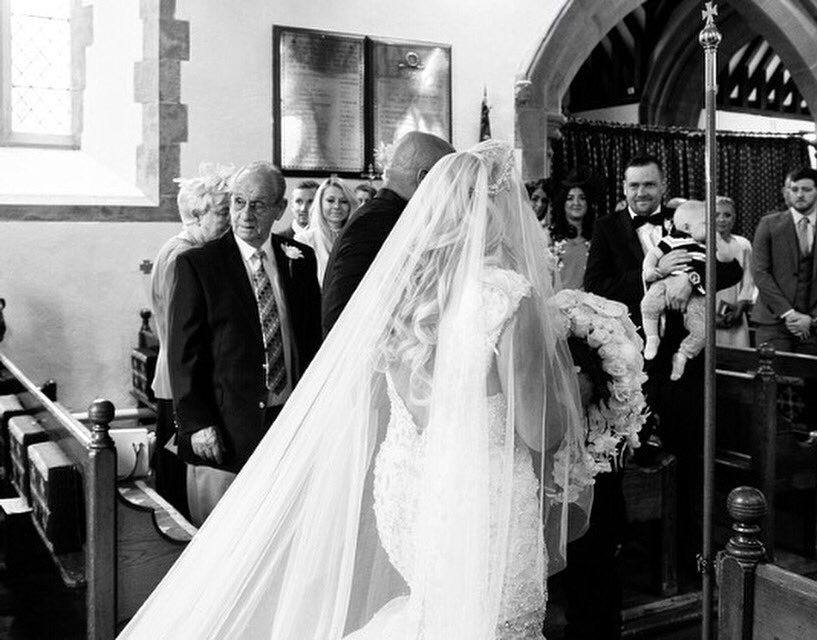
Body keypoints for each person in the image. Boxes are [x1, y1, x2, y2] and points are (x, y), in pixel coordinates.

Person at [118, 140, 593, 639]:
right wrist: (578, 388)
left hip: (416, 494)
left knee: (435, 615)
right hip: (483, 501)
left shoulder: (407, 292)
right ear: (493, 211)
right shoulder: (507, 300)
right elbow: (544, 432)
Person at [580, 155, 742, 639]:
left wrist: (687, 277)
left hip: (683, 366)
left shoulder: (685, 218)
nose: (640, 193)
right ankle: (632, 553)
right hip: (630, 363)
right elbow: (595, 288)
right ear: (624, 188)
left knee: (691, 453)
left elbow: (728, 273)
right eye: (633, 186)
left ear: (662, 185)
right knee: (630, 461)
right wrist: (652, 276)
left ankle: (696, 555)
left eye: (649, 185)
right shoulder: (608, 229)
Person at [167, 161, 322, 526]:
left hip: (287, 417)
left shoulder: (299, 259)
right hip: (228, 423)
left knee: (282, 526)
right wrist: (198, 421)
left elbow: (311, 338)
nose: (246, 214)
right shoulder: (199, 264)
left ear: (279, 209)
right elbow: (183, 353)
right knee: (227, 533)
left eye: (258, 204)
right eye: (238, 202)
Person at [149, 166, 232, 517]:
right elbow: (182, 329)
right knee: (179, 469)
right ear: (197, 215)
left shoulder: (185, 249)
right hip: (179, 380)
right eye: (223, 212)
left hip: (175, 375)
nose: (231, 220)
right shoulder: (183, 256)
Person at [321, 131, 455, 335]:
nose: (452, 194)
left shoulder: (389, 216)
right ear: (424, 179)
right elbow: (339, 312)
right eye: (449, 181)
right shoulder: (377, 222)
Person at [641, 200, 734, 380]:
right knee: (648, 304)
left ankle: (683, 354)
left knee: (703, 329)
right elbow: (652, 255)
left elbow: (729, 265)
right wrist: (652, 270)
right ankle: (652, 336)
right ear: (687, 226)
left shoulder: (708, 245)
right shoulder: (672, 239)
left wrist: (717, 240)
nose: (710, 226)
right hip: (665, 282)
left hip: (697, 293)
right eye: (706, 223)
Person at [751, 166, 817, 355]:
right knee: (772, 380)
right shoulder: (769, 224)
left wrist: (813, 318)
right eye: (794, 189)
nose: (799, 195)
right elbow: (760, 273)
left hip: (814, 326)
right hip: (773, 321)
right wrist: (789, 313)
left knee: (813, 382)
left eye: (806, 190)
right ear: (787, 192)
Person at [295, 177, 358, 287]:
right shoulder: (304, 240)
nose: (337, 206)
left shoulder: (357, 240)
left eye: (343, 201)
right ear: (320, 203)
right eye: (330, 200)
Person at [715, 196, 755, 347]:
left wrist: (739, 308)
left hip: (733, 312)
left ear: (734, 218)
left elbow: (748, 280)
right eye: (717, 214)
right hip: (704, 314)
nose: (722, 219)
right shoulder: (698, 245)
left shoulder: (743, 244)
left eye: (727, 215)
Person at [548, 171, 598, 291]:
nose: (576, 203)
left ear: (588, 203)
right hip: (557, 304)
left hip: (591, 304)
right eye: (570, 198)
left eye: (582, 198)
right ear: (563, 203)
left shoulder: (597, 236)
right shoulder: (550, 237)